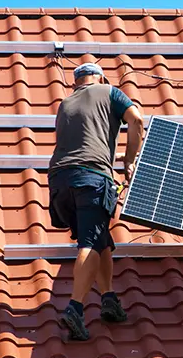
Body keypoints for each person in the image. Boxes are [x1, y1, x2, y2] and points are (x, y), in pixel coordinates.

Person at [48, 62, 145, 341]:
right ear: (101, 78)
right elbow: (137, 120)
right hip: (91, 176)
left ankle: (109, 298)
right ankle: (75, 309)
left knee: (100, 237)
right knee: (90, 242)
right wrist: (128, 162)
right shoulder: (110, 91)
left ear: (76, 83)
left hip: (59, 182)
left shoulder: (65, 103)